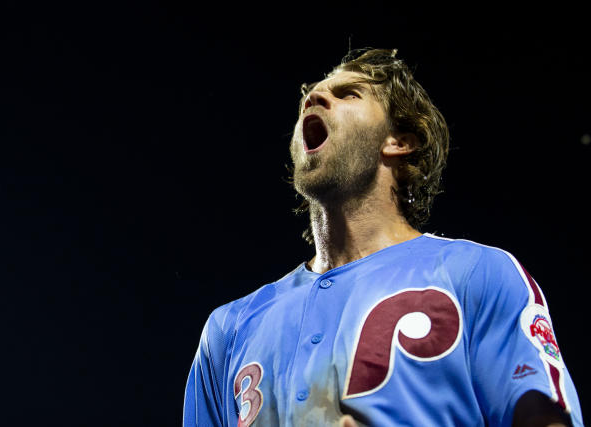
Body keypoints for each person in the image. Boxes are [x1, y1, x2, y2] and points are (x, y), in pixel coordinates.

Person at [183, 48, 583, 426]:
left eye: (348, 94)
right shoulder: (229, 328)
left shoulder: (477, 274)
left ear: (398, 141)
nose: (315, 97)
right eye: (311, 94)